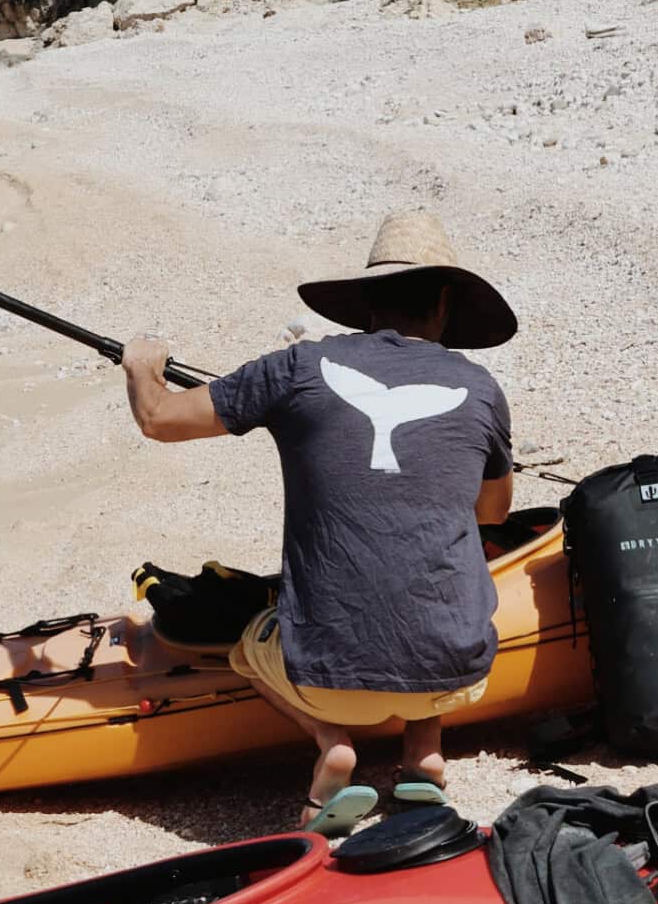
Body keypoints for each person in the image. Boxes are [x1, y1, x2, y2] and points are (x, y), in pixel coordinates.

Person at [122, 211, 517, 833]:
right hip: (455, 670)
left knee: (251, 645)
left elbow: (161, 419)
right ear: (444, 305)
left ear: (363, 301)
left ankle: (332, 742)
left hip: (327, 675)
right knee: (436, 582)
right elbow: (493, 513)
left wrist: (141, 366)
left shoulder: (297, 368)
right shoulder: (480, 388)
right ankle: (424, 752)